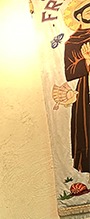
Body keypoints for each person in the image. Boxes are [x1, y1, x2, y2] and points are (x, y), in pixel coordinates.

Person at [64, 1, 90, 172]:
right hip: (86, 90)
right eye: (88, 12)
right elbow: (69, 72)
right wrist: (86, 60)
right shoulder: (72, 43)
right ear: (79, 16)